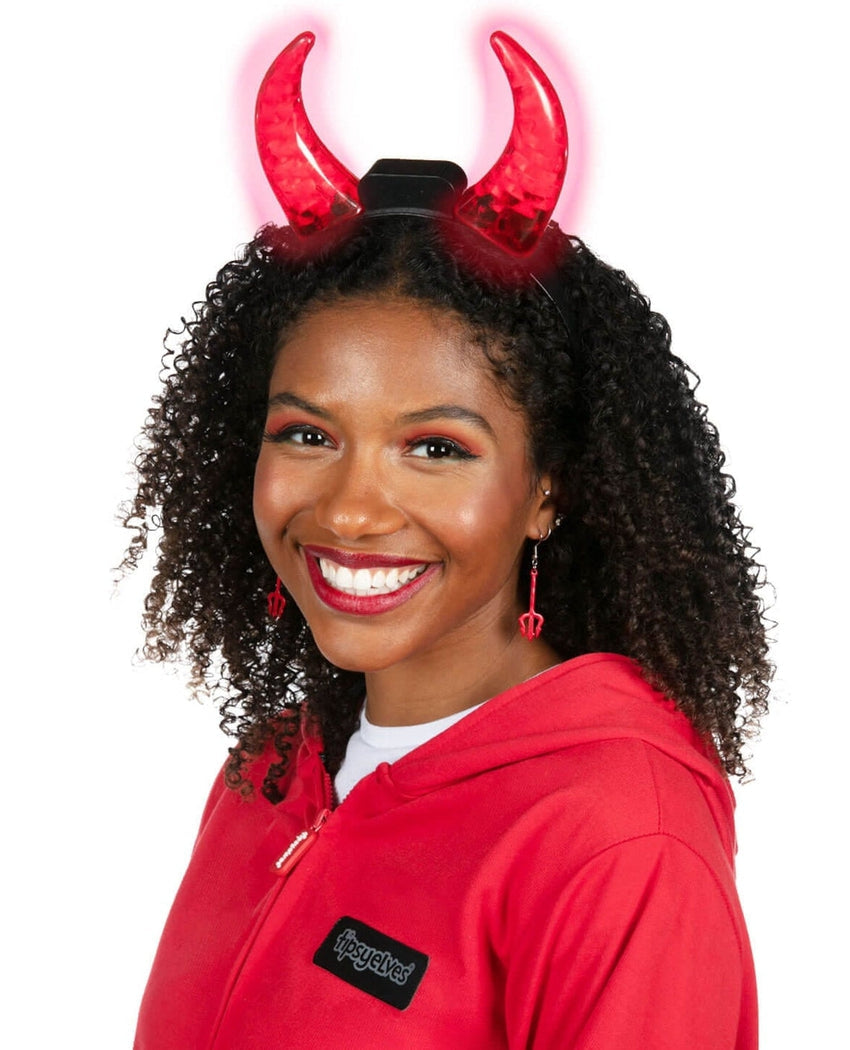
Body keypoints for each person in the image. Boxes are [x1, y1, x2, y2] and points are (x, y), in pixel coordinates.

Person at [126, 29, 770, 1050]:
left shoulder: (619, 838)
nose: (350, 510)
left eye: (435, 448)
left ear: (548, 491)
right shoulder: (274, 770)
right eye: (306, 435)